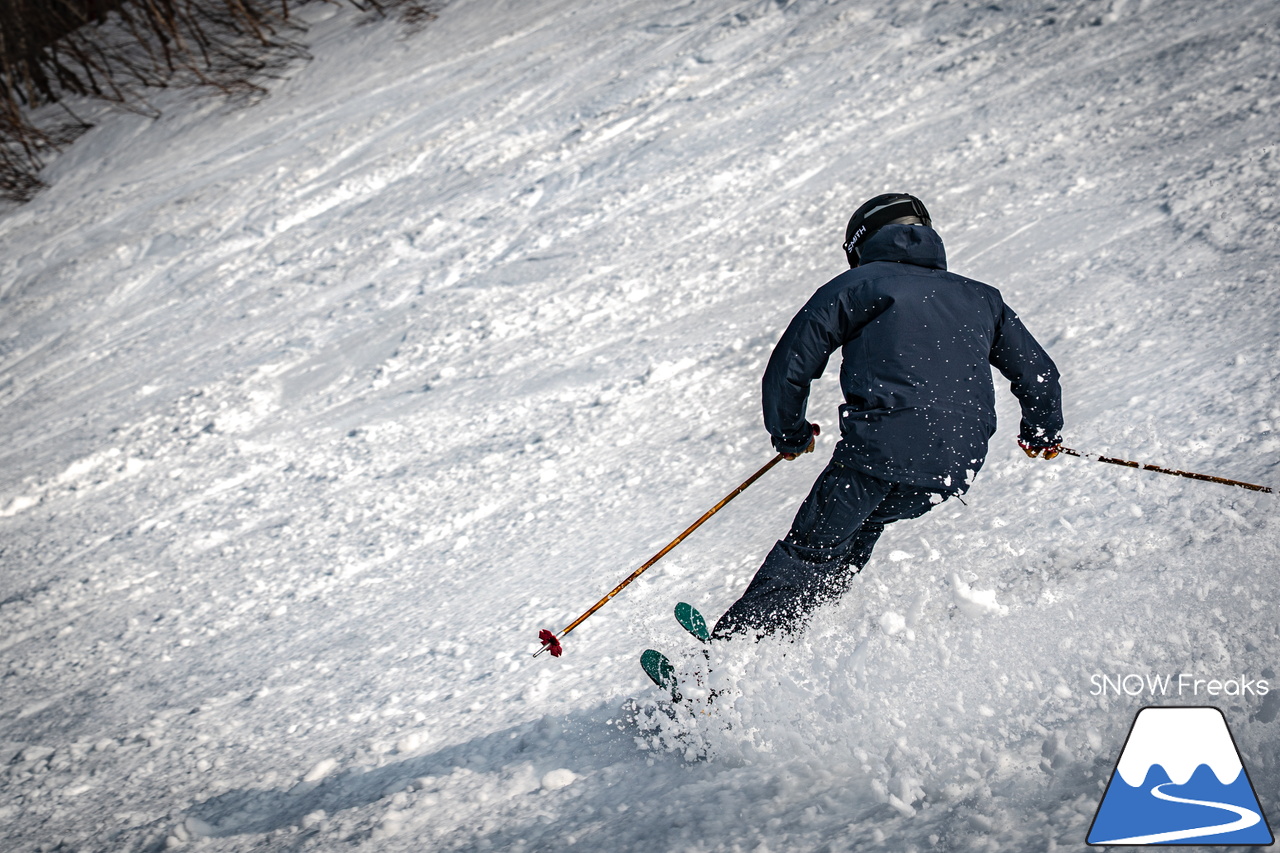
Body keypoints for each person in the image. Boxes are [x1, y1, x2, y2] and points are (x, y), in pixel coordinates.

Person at [712, 193, 1063, 641]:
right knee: (858, 532)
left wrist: (791, 434)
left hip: (879, 451)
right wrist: (1041, 433)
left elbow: (789, 367)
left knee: (810, 551)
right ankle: (792, 639)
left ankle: (718, 670)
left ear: (859, 244)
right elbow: (1040, 376)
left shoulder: (857, 286)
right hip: (954, 467)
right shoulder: (983, 298)